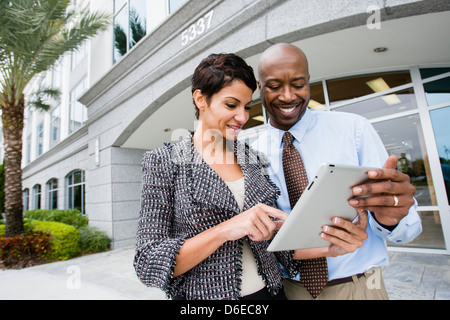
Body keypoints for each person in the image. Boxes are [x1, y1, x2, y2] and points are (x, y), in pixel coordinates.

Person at [134, 53, 314, 300]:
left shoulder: (253, 158)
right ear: (200, 99)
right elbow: (148, 261)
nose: (242, 117)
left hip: (271, 294)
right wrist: (226, 230)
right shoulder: (165, 161)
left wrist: (330, 246)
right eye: (231, 105)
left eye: (247, 106)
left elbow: (275, 247)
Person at [253, 43, 422, 300]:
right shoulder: (251, 156)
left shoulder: (354, 130)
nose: (287, 96)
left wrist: (391, 219)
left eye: (298, 84)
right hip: (289, 291)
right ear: (259, 86)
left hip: (359, 287)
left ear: (308, 81)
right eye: (275, 86)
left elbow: (407, 230)